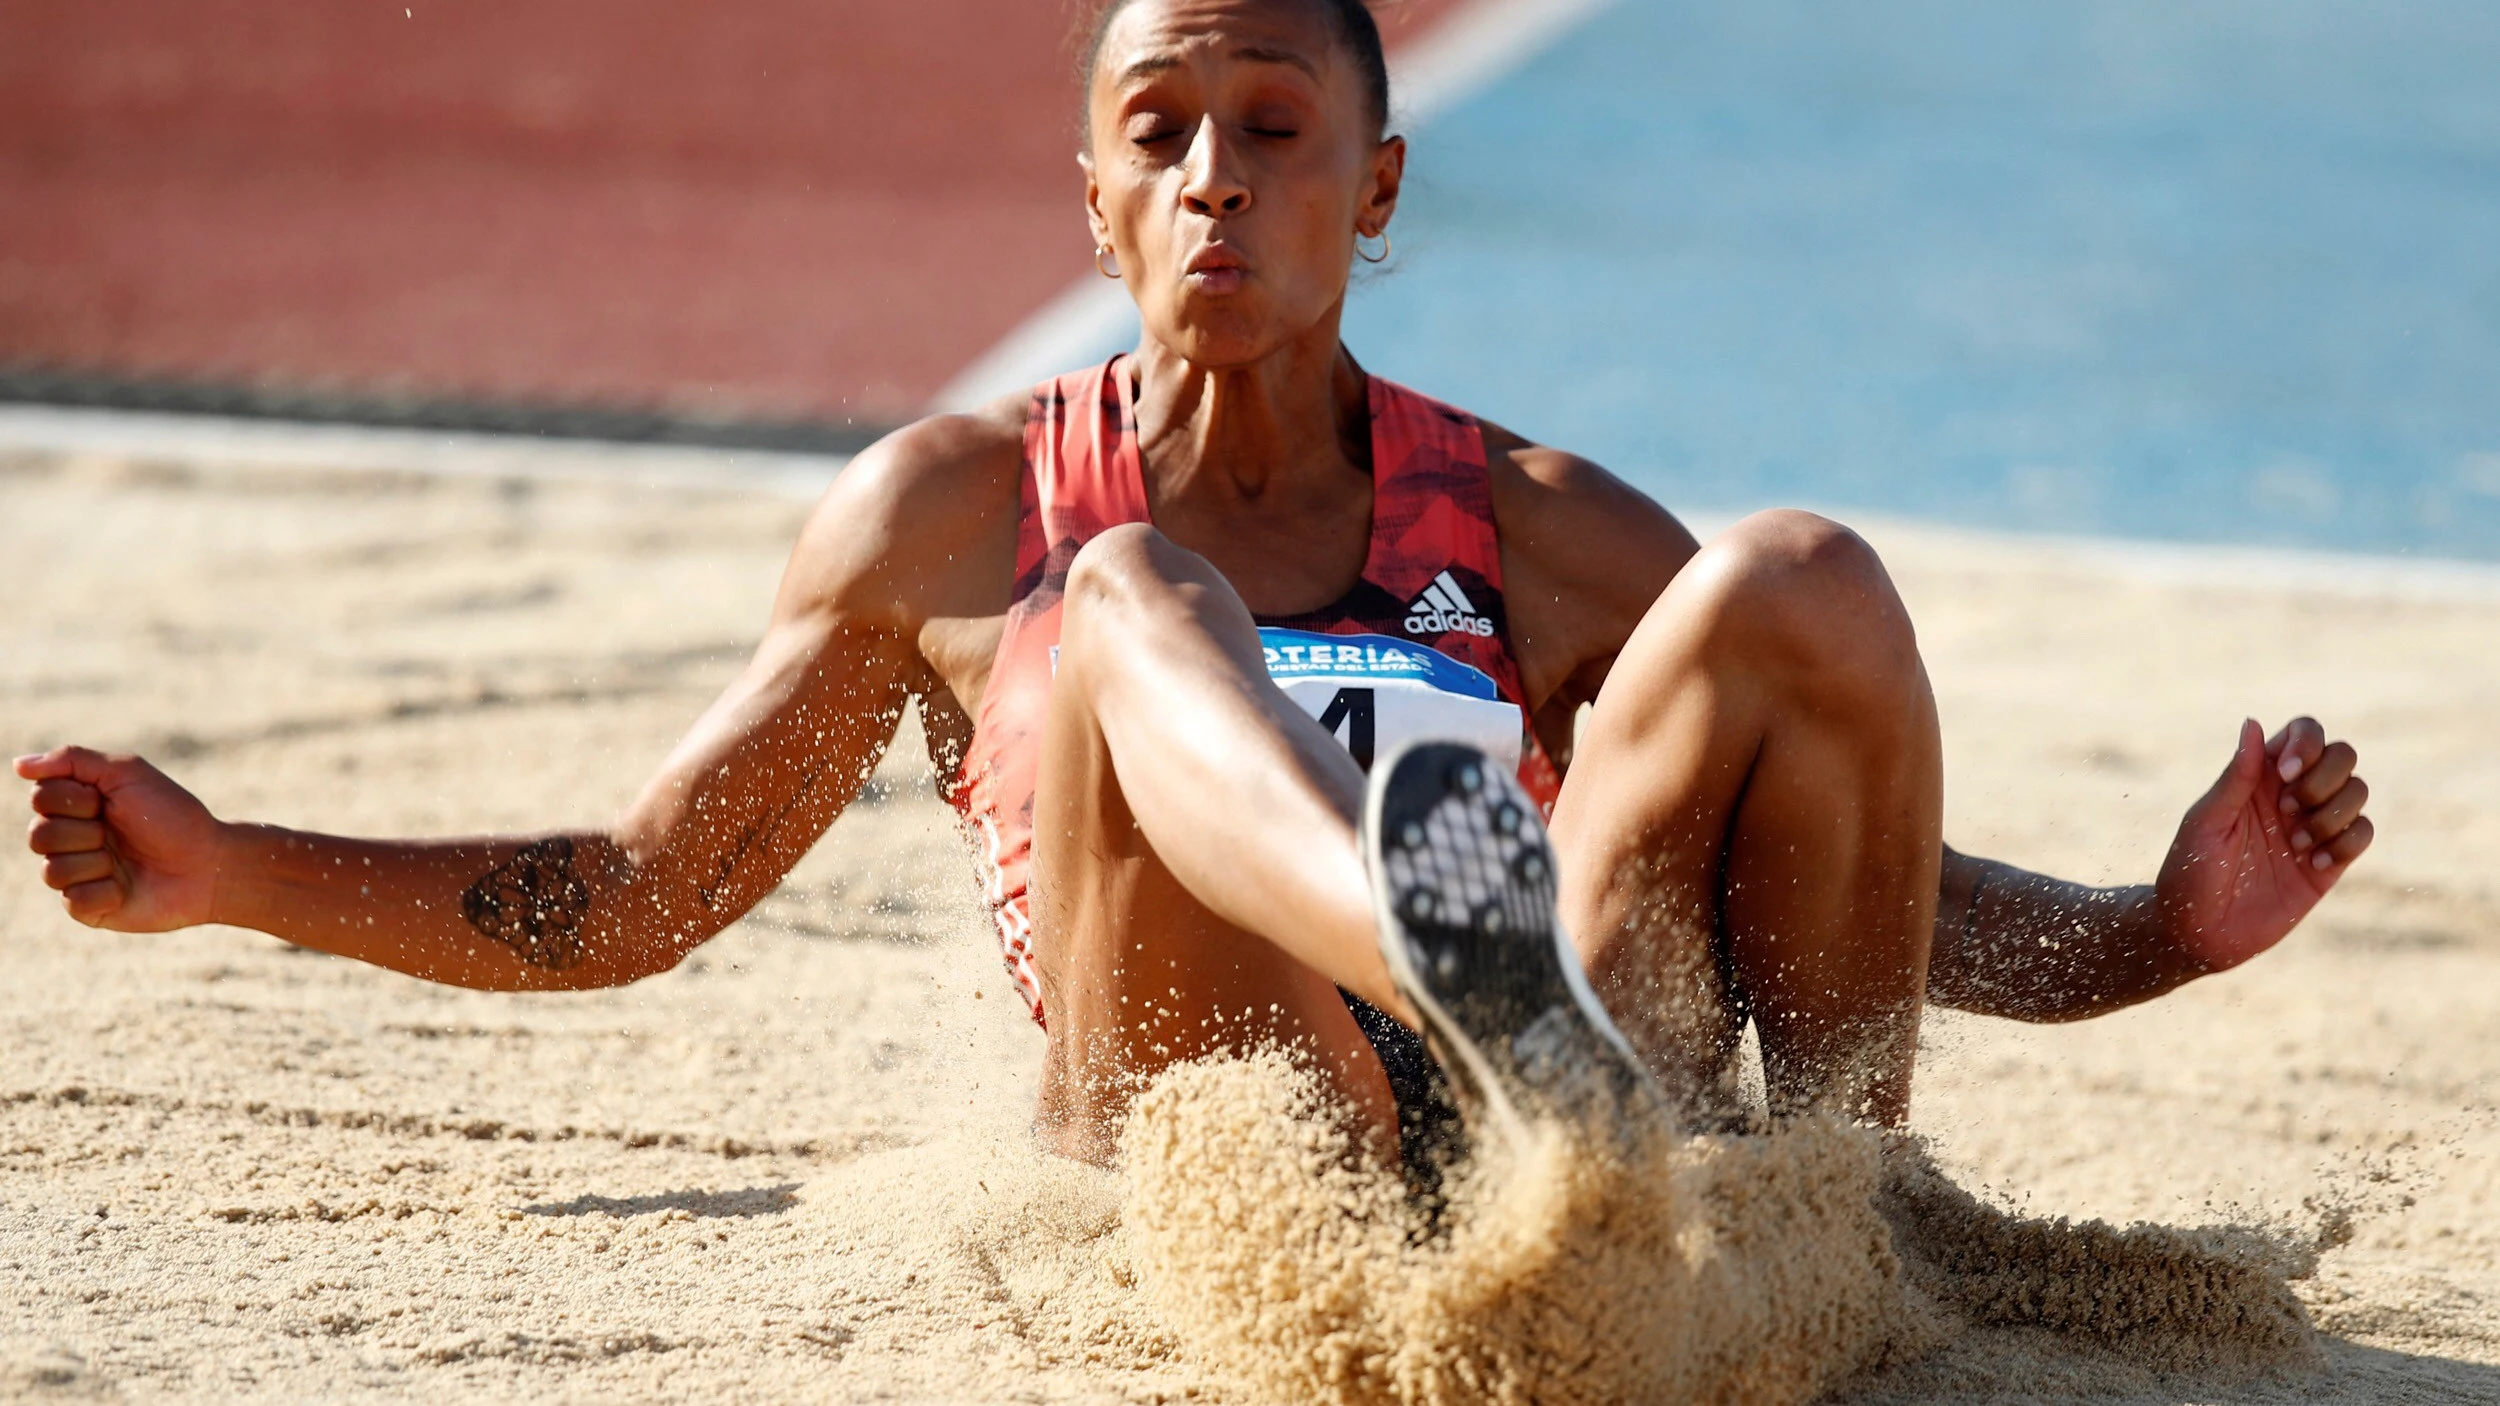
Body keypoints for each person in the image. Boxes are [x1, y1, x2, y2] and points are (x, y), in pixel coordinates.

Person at [17, 0, 2373, 1173]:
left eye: (1275, 135)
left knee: (1796, 572)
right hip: (1225, 1147)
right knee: (1136, 597)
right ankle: (1433, 954)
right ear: (1090, 201)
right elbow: (643, 889)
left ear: (1375, 193)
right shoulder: (956, 517)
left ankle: (1834, 1222)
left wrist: (2159, 931)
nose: (1217, 181)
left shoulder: (1535, 525)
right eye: (1161, 135)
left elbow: (1852, 872)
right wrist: (235, 878)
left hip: (1566, 1163)